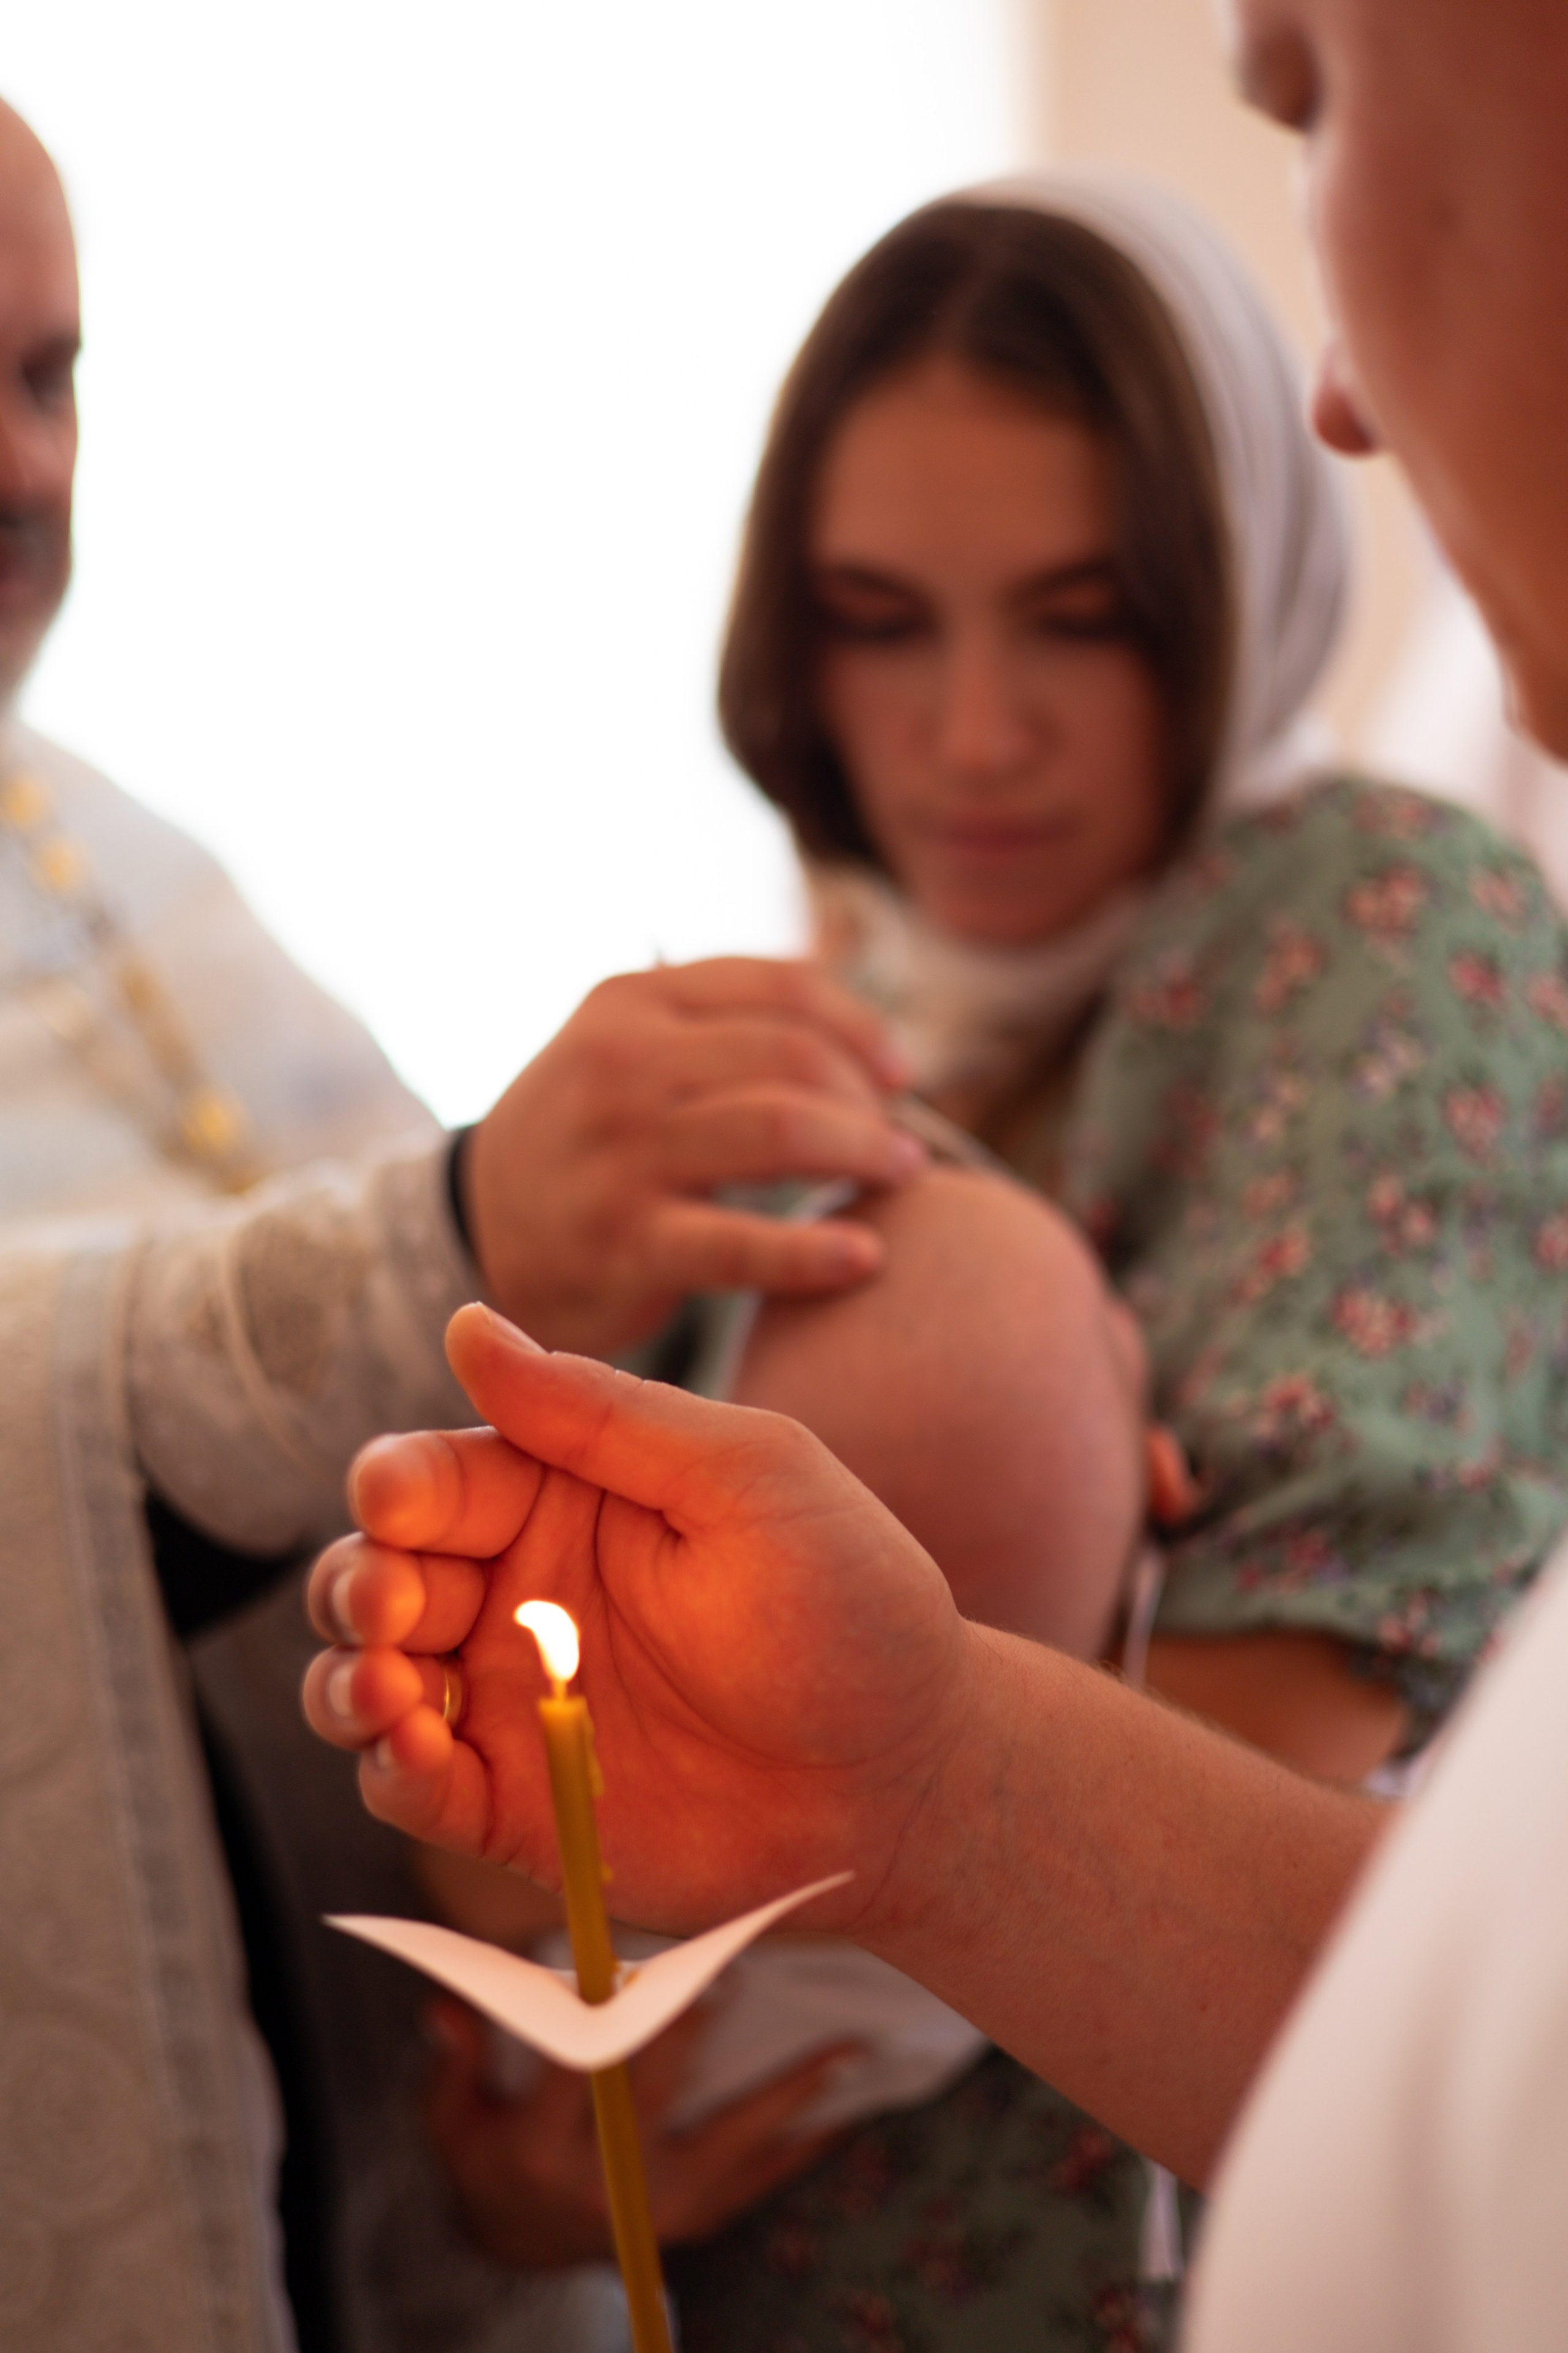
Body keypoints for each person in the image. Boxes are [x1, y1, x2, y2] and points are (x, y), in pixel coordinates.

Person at [303, 0, 1568, 2337]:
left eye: (1083, 625)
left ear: (1238, 590)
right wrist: (536, 2169)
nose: (973, 740)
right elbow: (531, 1904)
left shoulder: (1365, 933)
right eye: (884, 629)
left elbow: (1266, 1778)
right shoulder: (782, 1058)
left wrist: (653, 1968)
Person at [0, 96, 932, 2353]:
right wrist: (457, 1221)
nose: (30, 470)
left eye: (50, 378)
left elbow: (473, 1360)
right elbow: (390, 1267)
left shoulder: (110, 850)